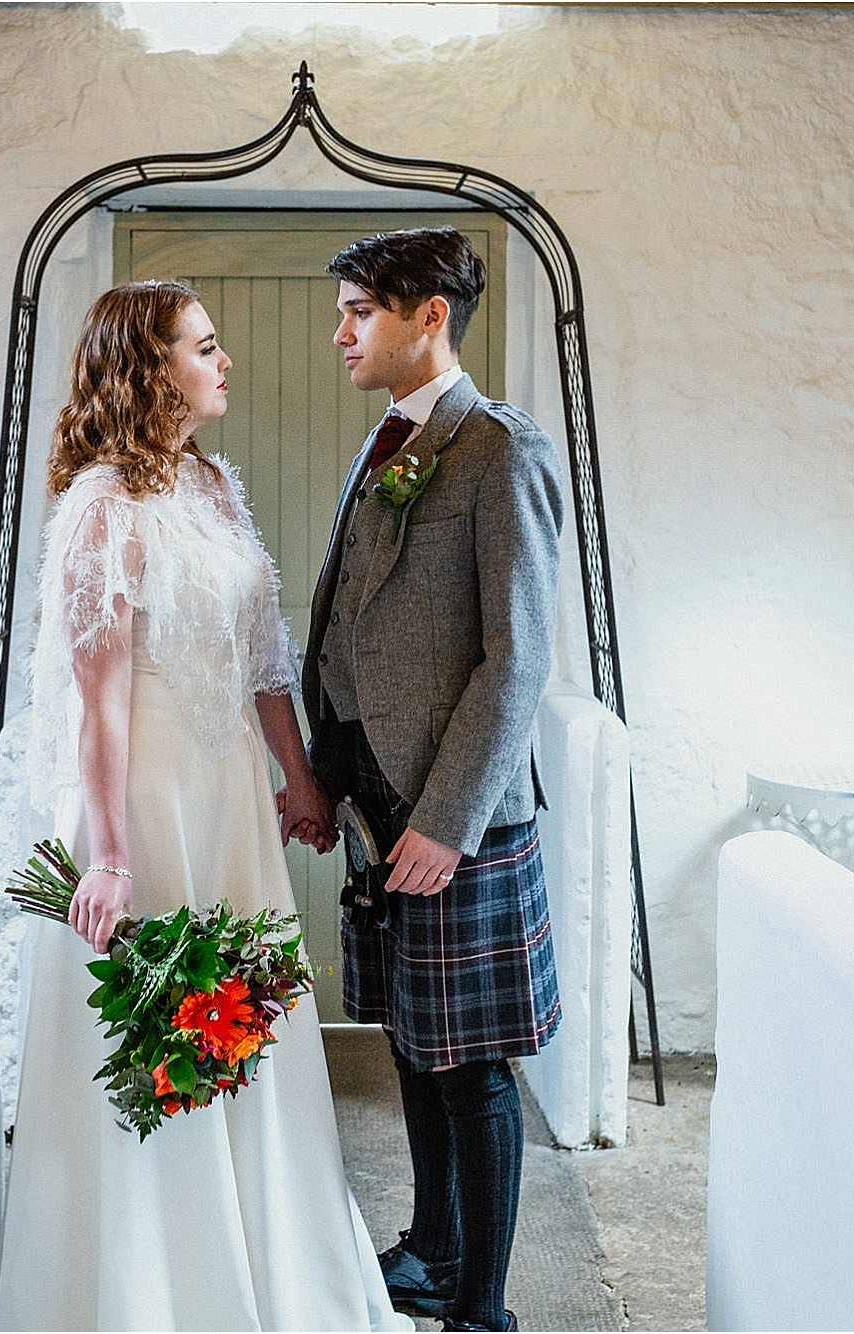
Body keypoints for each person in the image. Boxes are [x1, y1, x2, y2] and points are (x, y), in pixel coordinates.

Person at [0, 280, 405, 1332]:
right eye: (205, 347)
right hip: (146, 802)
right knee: (157, 1037)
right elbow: (98, 703)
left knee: (248, 1028)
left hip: (226, 797)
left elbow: (263, 654)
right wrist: (115, 857)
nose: (225, 363)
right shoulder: (98, 506)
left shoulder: (212, 487)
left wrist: (298, 773)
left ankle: (271, 1273)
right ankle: (157, 1292)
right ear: (149, 370)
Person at [299, 229, 565, 1333]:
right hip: (376, 805)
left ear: (428, 317)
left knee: (471, 1065)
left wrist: (448, 821)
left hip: (455, 816)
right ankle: (434, 1245)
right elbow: (347, 620)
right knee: (412, 1041)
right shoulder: (391, 441)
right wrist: (323, 770)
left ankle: (482, 1308)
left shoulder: (496, 448)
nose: (341, 331)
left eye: (361, 309)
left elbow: (518, 657)